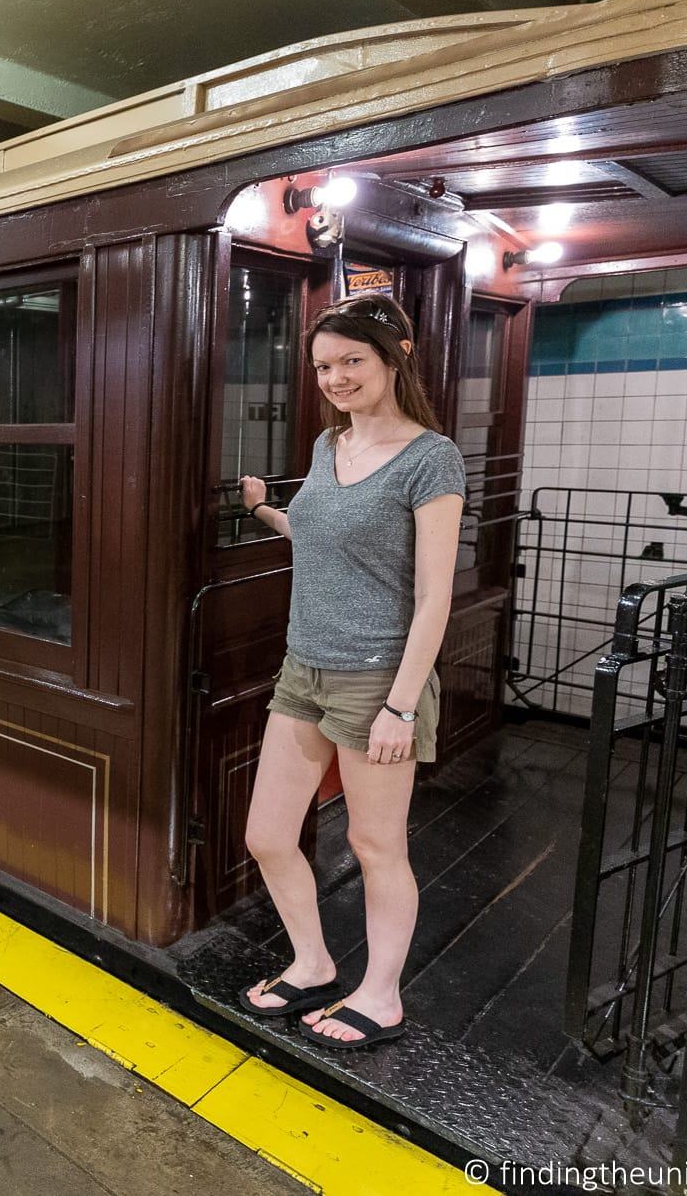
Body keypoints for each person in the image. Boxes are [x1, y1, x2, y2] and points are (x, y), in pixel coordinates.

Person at [233, 293, 467, 1051]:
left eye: (351, 361)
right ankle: (311, 962)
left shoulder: (432, 458)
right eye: (323, 366)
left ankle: (381, 994)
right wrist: (265, 511)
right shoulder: (326, 446)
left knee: (375, 847)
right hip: (304, 668)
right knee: (268, 833)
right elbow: (317, 531)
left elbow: (435, 596)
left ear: (395, 354)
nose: (335, 377)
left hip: (377, 681)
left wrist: (401, 707)